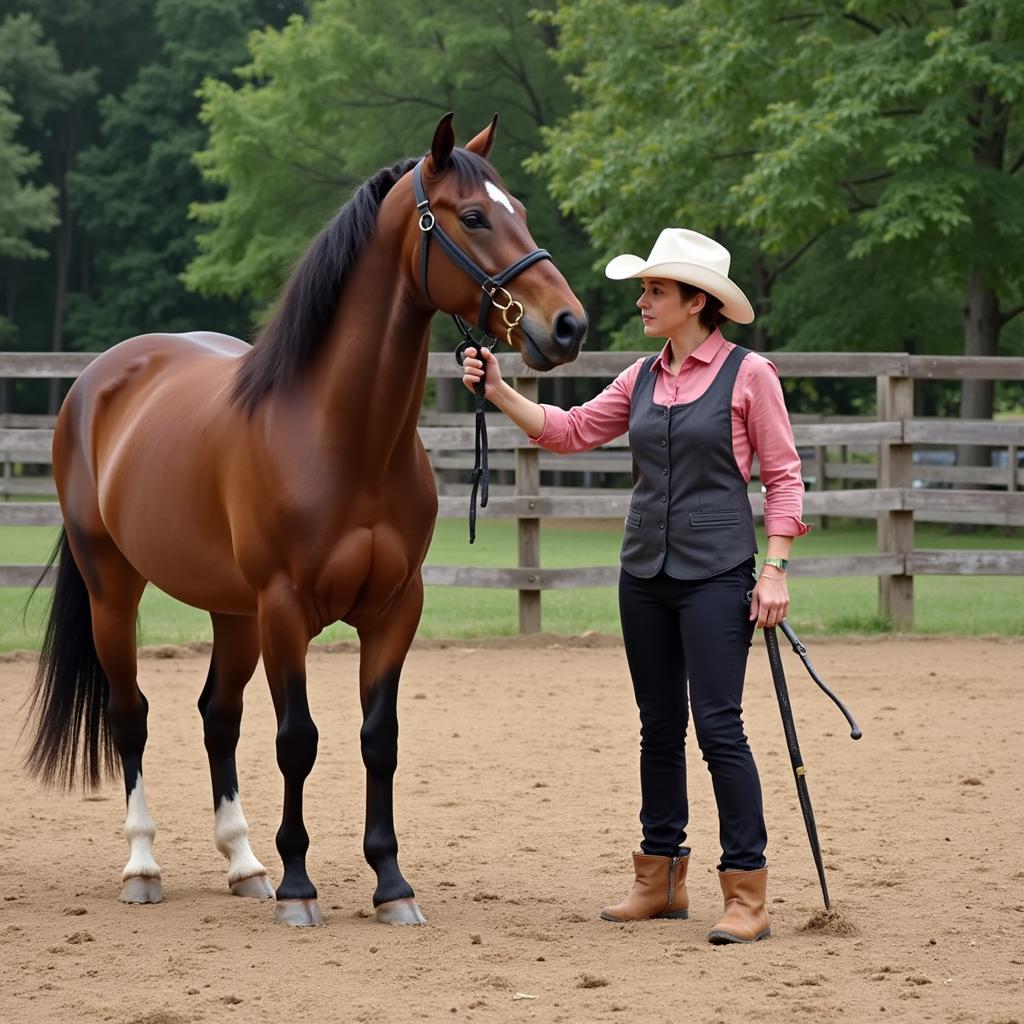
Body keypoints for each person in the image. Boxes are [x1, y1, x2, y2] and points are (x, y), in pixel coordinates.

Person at [461, 228, 810, 944]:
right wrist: (499, 389)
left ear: (696, 301)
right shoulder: (642, 376)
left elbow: (783, 478)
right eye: (645, 289)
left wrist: (774, 569)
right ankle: (660, 878)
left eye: (655, 290)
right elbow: (570, 430)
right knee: (658, 728)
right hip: (643, 574)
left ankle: (747, 891)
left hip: (718, 575)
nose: (643, 301)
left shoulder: (750, 375)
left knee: (719, 727)